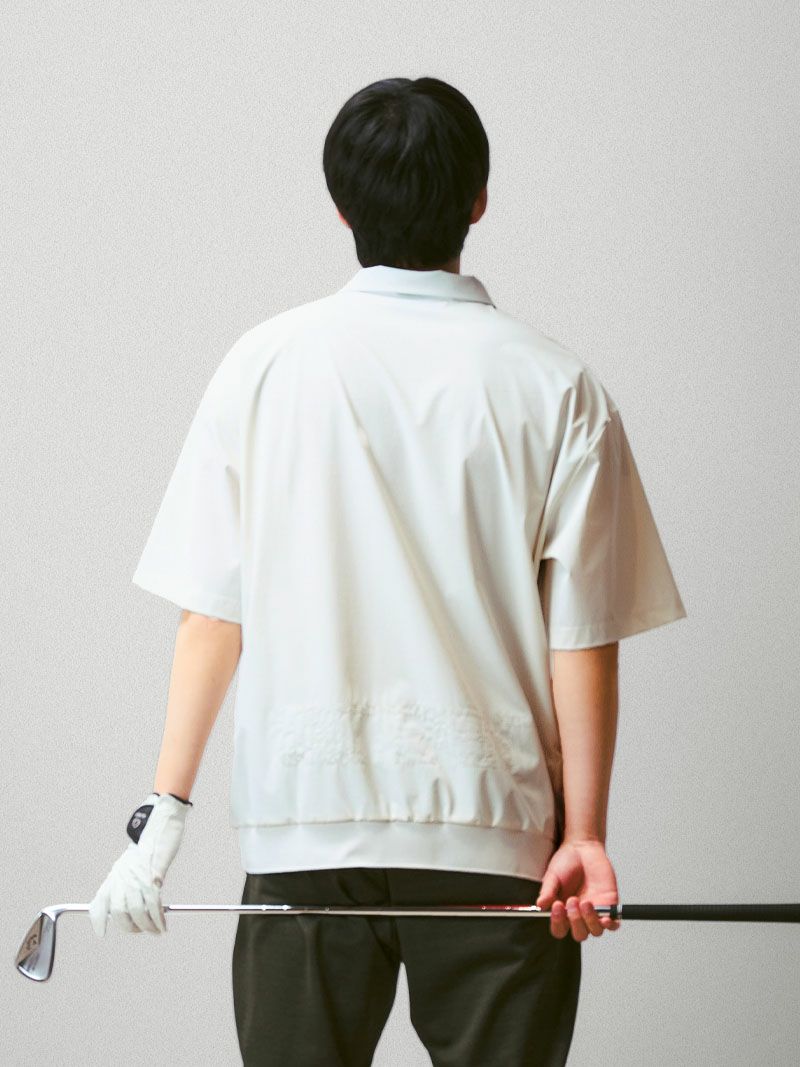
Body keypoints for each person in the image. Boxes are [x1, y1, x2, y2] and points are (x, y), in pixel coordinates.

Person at [88, 76, 687, 1066]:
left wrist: (163, 820)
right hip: (497, 832)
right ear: (478, 200)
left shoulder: (260, 366)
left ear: (340, 207)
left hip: (303, 826)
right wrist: (583, 833)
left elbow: (212, 617)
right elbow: (582, 638)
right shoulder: (557, 387)